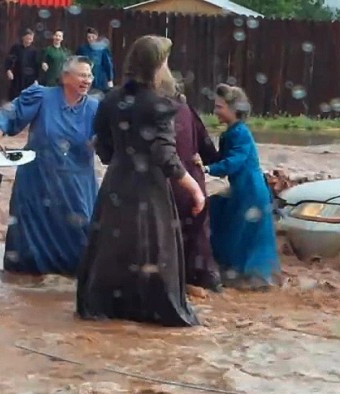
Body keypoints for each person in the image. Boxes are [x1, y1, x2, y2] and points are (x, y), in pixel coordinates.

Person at [76, 35, 205, 327]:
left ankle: (107, 308)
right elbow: (164, 153)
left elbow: (103, 148)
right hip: (150, 190)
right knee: (154, 250)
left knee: (112, 248)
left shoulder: (110, 99)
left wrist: (122, 155)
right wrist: (194, 187)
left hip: (116, 186)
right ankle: (152, 310)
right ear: (158, 65)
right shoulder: (160, 104)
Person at [0, 56, 99, 276]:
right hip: (36, 184)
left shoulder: (95, 108)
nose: (86, 80)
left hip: (76, 188)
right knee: (27, 260)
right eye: (81, 74)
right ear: (65, 77)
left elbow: (110, 141)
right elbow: (7, 116)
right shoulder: (41, 96)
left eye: (89, 75)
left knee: (80, 247)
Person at [204, 84, 280, 291]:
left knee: (245, 234)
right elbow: (225, 165)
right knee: (230, 224)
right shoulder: (229, 133)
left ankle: (251, 280)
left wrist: (207, 168)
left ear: (234, 109)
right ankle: (237, 275)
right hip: (241, 191)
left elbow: (234, 162)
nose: (215, 111)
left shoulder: (240, 133)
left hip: (251, 192)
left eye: (220, 107)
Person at [171, 90, 222, 293]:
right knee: (198, 235)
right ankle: (206, 279)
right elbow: (209, 151)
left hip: (166, 186)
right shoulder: (187, 111)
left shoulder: (146, 112)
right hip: (191, 183)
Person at [76, 27, 114, 94]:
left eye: (93, 37)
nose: (91, 39)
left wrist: (110, 79)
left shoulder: (102, 49)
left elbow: (107, 64)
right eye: (89, 37)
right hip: (86, 76)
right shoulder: (82, 49)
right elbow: (77, 63)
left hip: (100, 78)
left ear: (96, 37)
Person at [5, 28, 39, 100]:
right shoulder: (16, 48)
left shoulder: (34, 51)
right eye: (28, 36)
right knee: (14, 97)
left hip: (29, 79)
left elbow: (37, 65)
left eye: (31, 37)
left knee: (27, 98)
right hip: (17, 77)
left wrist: (36, 79)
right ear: (23, 37)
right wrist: (8, 70)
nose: (30, 38)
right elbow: (9, 60)